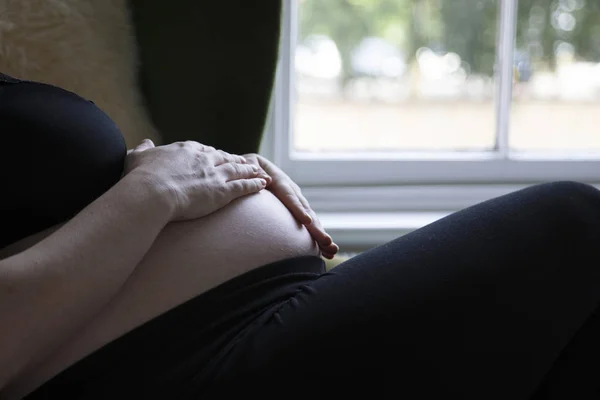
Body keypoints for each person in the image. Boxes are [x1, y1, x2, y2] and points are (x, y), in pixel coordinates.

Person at [1, 73, 599, 400]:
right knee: (573, 229)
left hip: (226, 329)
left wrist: (198, 168)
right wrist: (154, 195)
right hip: (159, 371)